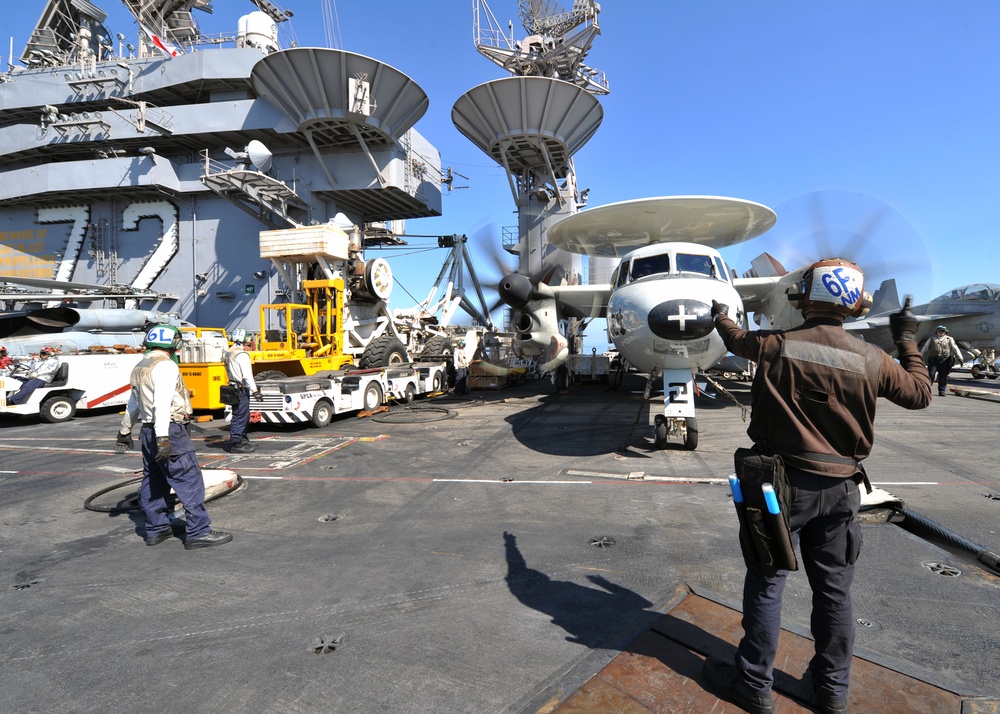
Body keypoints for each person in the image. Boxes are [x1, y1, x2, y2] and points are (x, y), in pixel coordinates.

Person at [702, 258, 931, 714]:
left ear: (804, 298)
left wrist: (720, 314)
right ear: (856, 305)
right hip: (843, 490)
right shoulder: (873, 359)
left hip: (778, 490)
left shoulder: (773, 346)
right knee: (834, 593)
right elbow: (920, 393)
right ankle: (830, 694)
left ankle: (754, 687)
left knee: (768, 583)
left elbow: (733, 337)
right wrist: (907, 339)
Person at [115, 324, 232, 550]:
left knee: (153, 480)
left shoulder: (140, 365)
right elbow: (162, 404)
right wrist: (163, 439)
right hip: (167, 430)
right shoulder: (166, 366)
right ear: (172, 343)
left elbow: (133, 403)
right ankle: (198, 532)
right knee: (188, 480)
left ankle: (156, 529)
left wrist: (124, 431)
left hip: (147, 431)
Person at [223, 327, 261, 453]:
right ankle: (236, 442)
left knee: (242, 414)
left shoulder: (229, 352)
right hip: (241, 389)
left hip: (232, 386)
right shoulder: (242, 354)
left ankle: (242, 438)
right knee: (240, 415)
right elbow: (247, 375)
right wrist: (255, 390)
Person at [921, 325, 962, 397]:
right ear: (936, 332)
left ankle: (942, 391)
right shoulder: (932, 339)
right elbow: (925, 348)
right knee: (931, 374)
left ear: (945, 332)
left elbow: (955, 348)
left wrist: (960, 358)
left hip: (944, 360)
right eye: (939, 331)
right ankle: (926, 390)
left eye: (942, 331)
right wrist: (919, 356)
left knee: (943, 376)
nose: (941, 332)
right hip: (933, 360)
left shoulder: (949, 339)